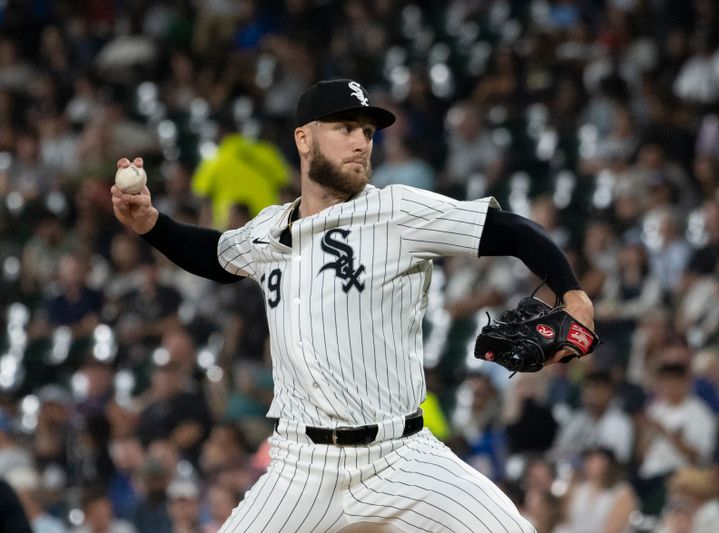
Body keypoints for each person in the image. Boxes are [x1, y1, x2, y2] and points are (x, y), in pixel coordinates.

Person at [110, 79, 595, 532]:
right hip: (299, 466)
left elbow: (512, 231)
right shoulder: (268, 229)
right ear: (304, 139)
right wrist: (152, 224)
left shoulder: (397, 212)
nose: (362, 142)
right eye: (345, 129)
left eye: (367, 132)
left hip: (400, 457)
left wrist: (572, 293)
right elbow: (215, 256)